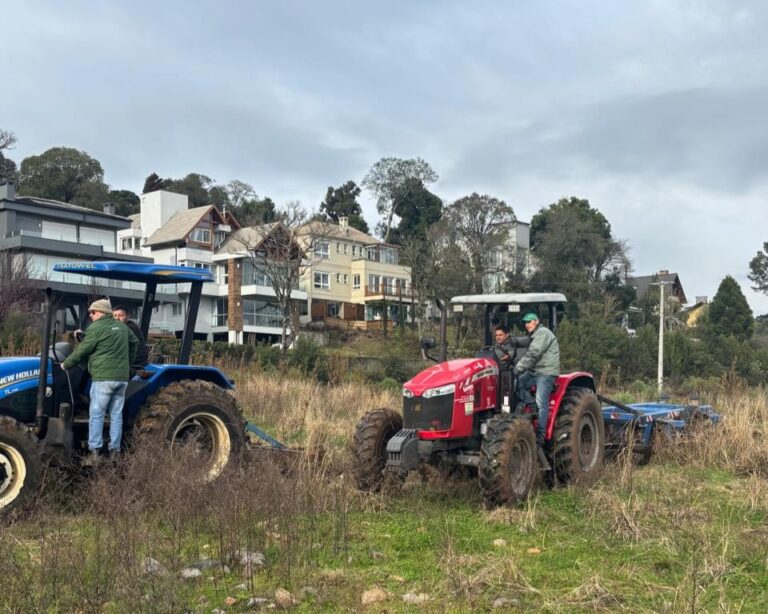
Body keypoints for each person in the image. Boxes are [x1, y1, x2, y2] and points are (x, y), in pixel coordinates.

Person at [61, 299, 137, 463]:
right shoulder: (123, 327)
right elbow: (134, 342)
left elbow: (82, 350)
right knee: (116, 415)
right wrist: (128, 364)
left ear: (101, 312)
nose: (90, 315)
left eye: (93, 312)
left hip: (104, 379)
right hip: (121, 379)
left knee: (96, 415)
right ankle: (115, 451)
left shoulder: (96, 328)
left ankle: (94, 452)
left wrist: (65, 364)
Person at [513, 312, 560, 446]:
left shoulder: (543, 333)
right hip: (535, 371)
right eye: (525, 323)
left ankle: (540, 434)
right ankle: (531, 405)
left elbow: (534, 353)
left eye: (529, 321)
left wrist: (518, 368)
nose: (527, 325)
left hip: (546, 372)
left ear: (536, 321)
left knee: (541, 402)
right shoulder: (534, 335)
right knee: (517, 383)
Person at [112, 305, 149, 370]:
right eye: (115, 315)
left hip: (135, 363)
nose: (117, 318)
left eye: (121, 315)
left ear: (127, 317)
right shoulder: (122, 327)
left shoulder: (129, 328)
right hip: (129, 360)